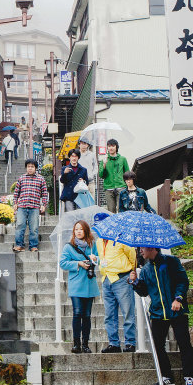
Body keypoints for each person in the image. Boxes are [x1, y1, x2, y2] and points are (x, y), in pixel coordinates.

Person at [129, 246, 193, 385]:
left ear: (152, 248)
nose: (140, 251)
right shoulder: (146, 269)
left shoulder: (171, 261)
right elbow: (144, 292)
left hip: (176, 310)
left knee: (183, 343)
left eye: (142, 249)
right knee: (157, 345)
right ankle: (166, 377)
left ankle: (189, 377)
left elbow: (182, 281)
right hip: (158, 313)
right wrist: (135, 282)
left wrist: (178, 298)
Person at [93, 212, 137, 352]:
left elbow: (132, 255)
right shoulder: (99, 241)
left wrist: (132, 270)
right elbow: (103, 258)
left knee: (127, 312)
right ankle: (114, 343)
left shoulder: (120, 237)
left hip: (122, 278)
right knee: (109, 314)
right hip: (106, 278)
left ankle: (130, 342)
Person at [59, 220, 99, 354]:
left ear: (86, 230)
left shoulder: (92, 245)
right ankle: (76, 344)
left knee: (87, 315)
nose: (79, 231)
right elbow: (63, 263)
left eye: (81, 229)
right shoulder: (69, 247)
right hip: (76, 284)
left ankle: (85, 344)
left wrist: (95, 259)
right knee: (77, 313)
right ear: (73, 232)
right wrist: (78, 263)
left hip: (89, 284)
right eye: (76, 229)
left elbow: (100, 261)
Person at [12, 158, 48, 253]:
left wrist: (43, 205)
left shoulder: (41, 179)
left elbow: (44, 193)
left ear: (35, 168)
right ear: (26, 168)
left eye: (32, 167)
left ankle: (33, 246)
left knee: (34, 227)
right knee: (20, 225)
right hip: (22, 206)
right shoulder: (21, 178)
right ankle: (19, 245)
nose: (30, 168)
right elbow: (16, 193)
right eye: (28, 167)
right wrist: (15, 203)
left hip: (35, 207)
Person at [98, 138, 130, 213]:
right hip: (109, 188)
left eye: (112, 146)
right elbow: (101, 175)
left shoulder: (122, 159)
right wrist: (104, 165)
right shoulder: (104, 160)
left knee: (121, 209)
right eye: (109, 146)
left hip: (121, 187)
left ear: (116, 147)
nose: (111, 148)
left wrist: (128, 186)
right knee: (111, 211)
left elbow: (127, 173)